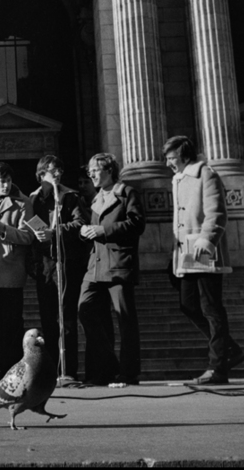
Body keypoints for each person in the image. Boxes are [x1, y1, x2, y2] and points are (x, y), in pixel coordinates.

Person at [164, 135, 244, 385]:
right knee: (189, 304)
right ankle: (230, 350)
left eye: (172, 158)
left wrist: (206, 240)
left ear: (185, 155)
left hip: (203, 251)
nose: (169, 163)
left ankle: (218, 367)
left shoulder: (205, 174)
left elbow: (217, 212)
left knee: (211, 307)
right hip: (185, 252)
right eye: (167, 158)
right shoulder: (178, 178)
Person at [77, 153, 145, 386]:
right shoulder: (96, 198)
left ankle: (129, 372)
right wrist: (87, 232)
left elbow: (137, 224)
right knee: (84, 310)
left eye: (95, 170)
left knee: (125, 320)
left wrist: (103, 231)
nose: (92, 175)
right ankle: (109, 366)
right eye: (90, 171)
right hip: (95, 266)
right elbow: (95, 228)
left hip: (118, 264)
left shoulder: (126, 193)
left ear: (109, 170)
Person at [29, 155, 87, 384]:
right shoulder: (32, 199)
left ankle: (68, 371)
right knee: (47, 320)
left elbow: (81, 223)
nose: (58, 175)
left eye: (60, 171)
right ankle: (51, 371)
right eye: (54, 171)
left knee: (67, 319)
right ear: (41, 173)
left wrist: (56, 231)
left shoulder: (70, 196)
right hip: (43, 264)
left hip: (66, 262)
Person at [0, 162, 35, 386]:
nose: (6, 184)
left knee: (13, 326)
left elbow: (28, 236)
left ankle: (18, 373)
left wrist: (2, 229)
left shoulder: (23, 202)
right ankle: (3, 372)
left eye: (9, 180)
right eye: (1, 181)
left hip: (11, 271)